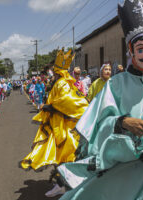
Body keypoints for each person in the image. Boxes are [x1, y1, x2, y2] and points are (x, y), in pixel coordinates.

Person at [57, 0, 143, 199]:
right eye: (141, 49)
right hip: (121, 168)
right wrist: (123, 122)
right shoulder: (115, 84)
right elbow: (97, 125)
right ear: (130, 51)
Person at [19, 49, 89, 197]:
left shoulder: (62, 83)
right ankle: (63, 184)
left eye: (52, 70)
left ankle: (62, 185)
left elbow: (68, 102)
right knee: (59, 155)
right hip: (59, 125)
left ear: (57, 71)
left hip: (64, 127)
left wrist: (49, 106)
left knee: (63, 156)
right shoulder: (63, 82)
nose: (51, 72)